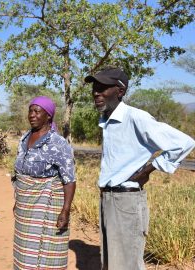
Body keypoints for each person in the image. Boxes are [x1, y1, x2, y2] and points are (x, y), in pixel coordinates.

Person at [85, 67, 195, 270]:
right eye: (94, 88)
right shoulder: (107, 121)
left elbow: (184, 142)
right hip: (108, 199)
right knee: (111, 264)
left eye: (102, 88)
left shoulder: (136, 117)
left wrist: (148, 169)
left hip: (126, 202)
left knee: (126, 265)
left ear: (120, 91)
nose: (96, 93)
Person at [12, 96, 76, 269]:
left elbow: (69, 179)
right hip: (25, 206)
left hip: (46, 205)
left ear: (48, 116)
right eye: (30, 111)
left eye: (37, 111)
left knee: (46, 250)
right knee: (24, 248)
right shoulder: (24, 139)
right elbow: (18, 173)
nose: (32, 115)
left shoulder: (58, 143)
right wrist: (17, 201)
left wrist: (65, 211)